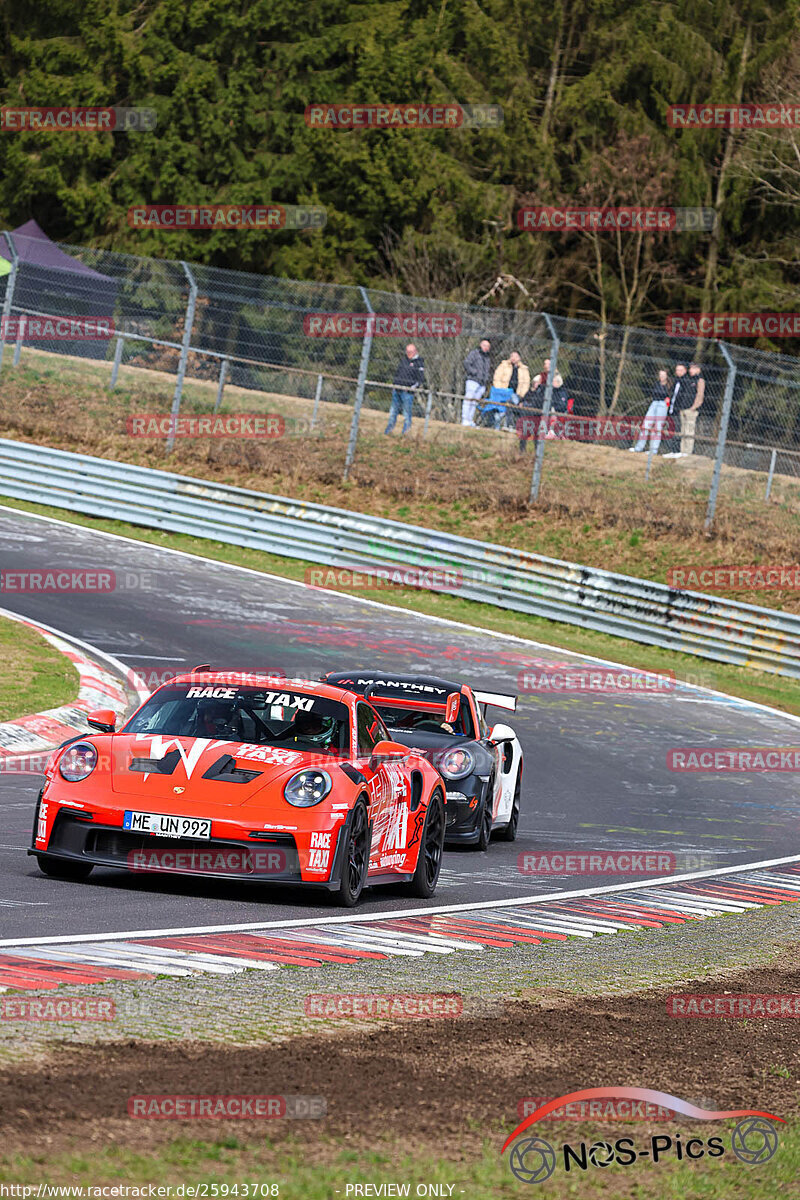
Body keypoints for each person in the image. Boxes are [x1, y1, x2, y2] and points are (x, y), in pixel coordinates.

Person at [385, 343, 425, 435]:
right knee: (393, 412)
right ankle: (388, 431)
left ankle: (405, 432)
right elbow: (397, 373)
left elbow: (420, 379)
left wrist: (412, 388)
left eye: (410, 352)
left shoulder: (419, 363)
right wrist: (394, 384)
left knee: (406, 413)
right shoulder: (404, 360)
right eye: (407, 351)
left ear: (415, 352)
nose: (408, 353)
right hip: (397, 389)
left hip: (407, 393)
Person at [629, 368, 671, 454]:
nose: (661, 377)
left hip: (662, 405)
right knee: (646, 425)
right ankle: (639, 447)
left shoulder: (669, 386)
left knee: (657, 427)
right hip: (654, 403)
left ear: (667, 376)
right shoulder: (656, 384)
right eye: (660, 375)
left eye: (663, 375)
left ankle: (653, 450)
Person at [488, 350, 530, 430]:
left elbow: (526, 383)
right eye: (512, 356)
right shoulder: (503, 365)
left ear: (519, 358)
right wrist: (499, 389)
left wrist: (522, 394)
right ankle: (496, 426)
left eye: (516, 356)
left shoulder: (524, 369)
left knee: (510, 406)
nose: (513, 358)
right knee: (499, 409)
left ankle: (508, 425)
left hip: (515, 393)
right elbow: (497, 378)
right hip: (502, 392)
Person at [662, 363, 693, 458]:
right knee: (671, 429)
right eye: (677, 370)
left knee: (678, 429)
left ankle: (677, 450)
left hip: (679, 410)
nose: (678, 372)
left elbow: (686, 397)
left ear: (684, 371)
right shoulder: (676, 382)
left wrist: (681, 408)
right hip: (672, 409)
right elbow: (672, 394)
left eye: (680, 370)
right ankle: (673, 450)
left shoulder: (687, 382)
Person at [462, 338, 492, 426]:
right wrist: (474, 372)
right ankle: (465, 419)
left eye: (488, 346)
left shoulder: (487, 358)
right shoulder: (474, 353)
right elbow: (466, 363)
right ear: (480, 345)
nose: (486, 348)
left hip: (482, 383)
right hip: (473, 380)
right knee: (468, 400)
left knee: (474, 402)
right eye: (484, 345)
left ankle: (470, 419)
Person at [681, 362, 705, 456]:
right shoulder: (688, 379)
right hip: (683, 408)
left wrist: (693, 408)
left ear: (698, 369)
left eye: (693, 368)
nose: (690, 370)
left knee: (689, 432)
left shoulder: (700, 380)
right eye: (690, 368)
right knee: (683, 431)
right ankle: (682, 451)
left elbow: (700, 395)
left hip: (691, 410)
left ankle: (687, 452)